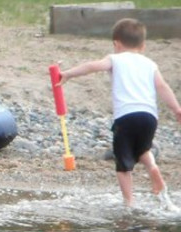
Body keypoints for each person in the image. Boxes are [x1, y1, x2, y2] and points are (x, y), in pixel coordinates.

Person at [60, 18, 181, 210]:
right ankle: (153, 168)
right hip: (150, 117)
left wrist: (68, 74)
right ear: (143, 45)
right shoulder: (150, 64)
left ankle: (129, 204)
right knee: (142, 149)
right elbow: (162, 86)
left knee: (123, 160)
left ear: (116, 44)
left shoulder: (115, 59)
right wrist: (177, 109)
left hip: (126, 116)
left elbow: (93, 66)